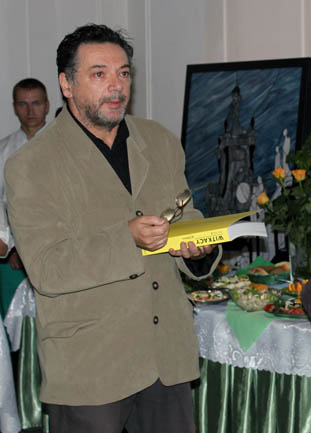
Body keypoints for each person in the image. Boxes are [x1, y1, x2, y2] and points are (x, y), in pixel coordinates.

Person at [5, 24, 222, 433]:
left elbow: (184, 214)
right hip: (90, 365)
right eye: (99, 73)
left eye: (123, 73)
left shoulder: (159, 140)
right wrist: (129, 238)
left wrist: (198, 248)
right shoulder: (31, 165)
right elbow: (48, 268)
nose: (116, 85)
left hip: (165, 356)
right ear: (66, 84)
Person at [0, 78, 49, 318]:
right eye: (23, 104)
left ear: (47, 106)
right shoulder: (3, 151)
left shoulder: (64, 145)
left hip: (56, 244)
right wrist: (11, 248)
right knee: (16, 320)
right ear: (14, 107)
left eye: (36, 103)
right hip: (12, 254)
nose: (30, 111)